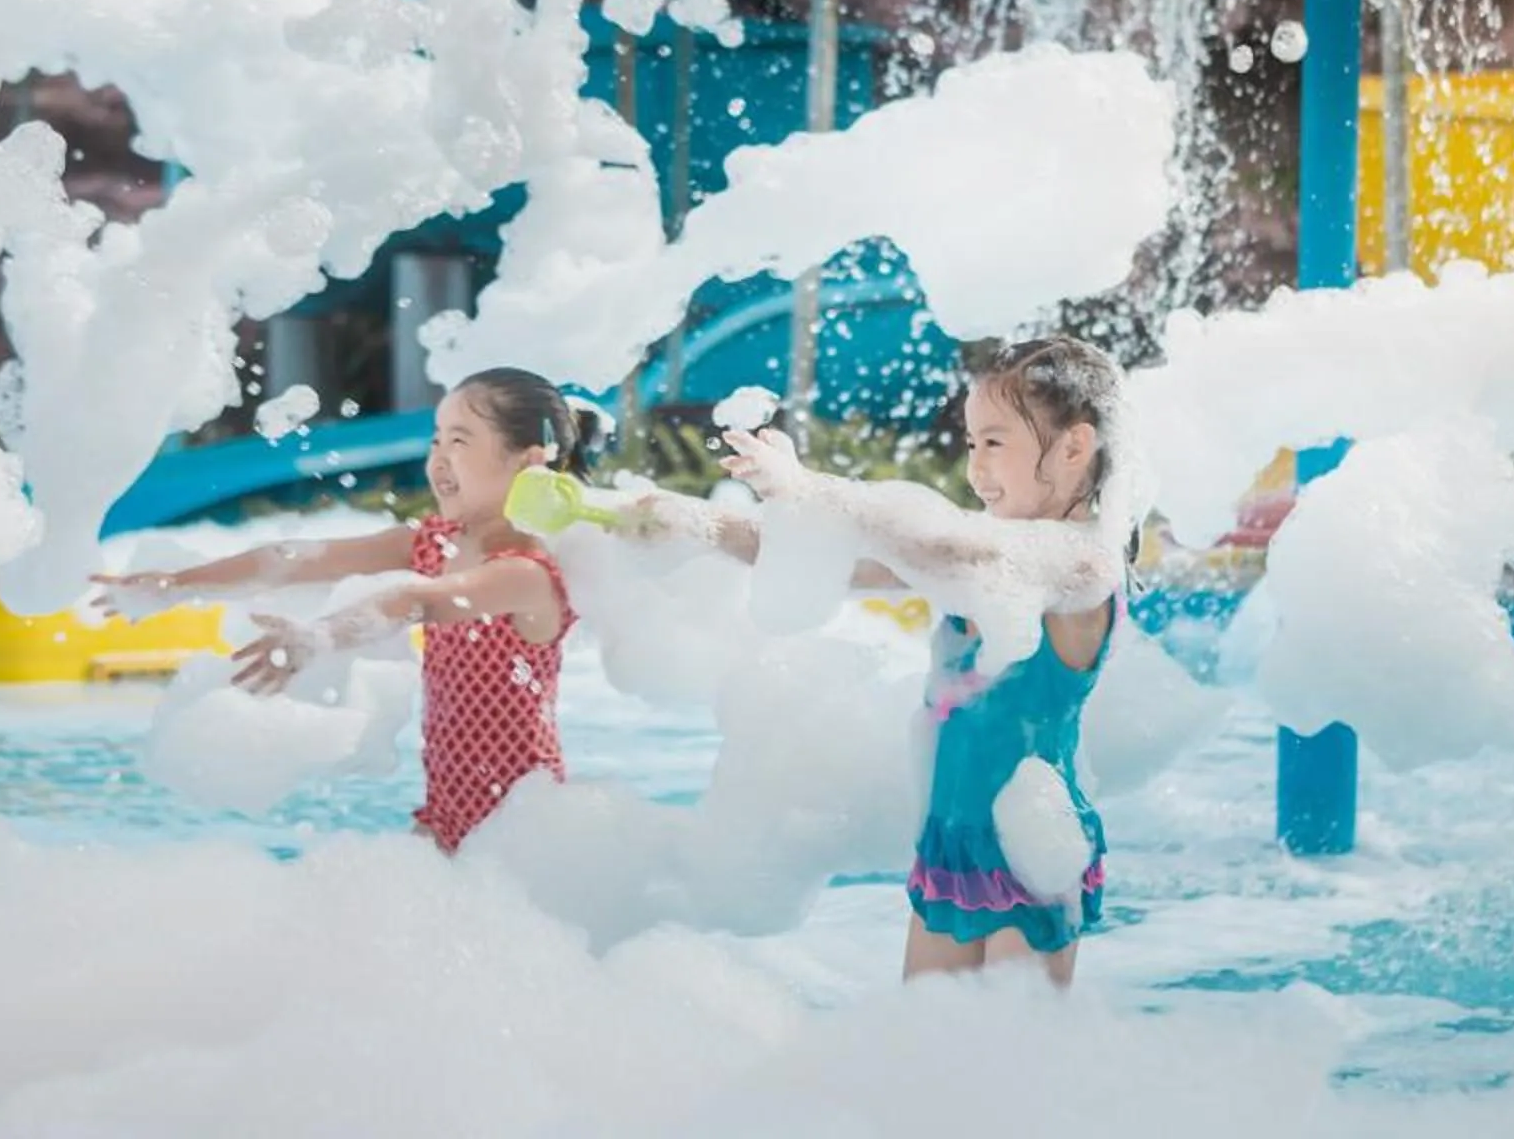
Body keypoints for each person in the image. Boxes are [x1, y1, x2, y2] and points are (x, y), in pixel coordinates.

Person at [648, 335, 1134, 987]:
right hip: (953, 839)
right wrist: (685, 523)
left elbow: (953, 553)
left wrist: (814, 488)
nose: (976, 466)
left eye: (994, 441)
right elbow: (819, 556)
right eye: (969, 444)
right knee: (927, 1055)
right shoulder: (980, 551)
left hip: (1033, 843)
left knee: (1012, 1069)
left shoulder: (1083, 564)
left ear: (1075, 446)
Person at [88, 367, 594, 852]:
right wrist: (176, 584)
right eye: (435, 440)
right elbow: (295, 559)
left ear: (528, 462)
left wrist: (318, 637)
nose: (438, 459)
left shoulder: (524, 573)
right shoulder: (431, 544)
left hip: (523, 827)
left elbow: (413, 601)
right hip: (444, 818)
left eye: (460, 442)